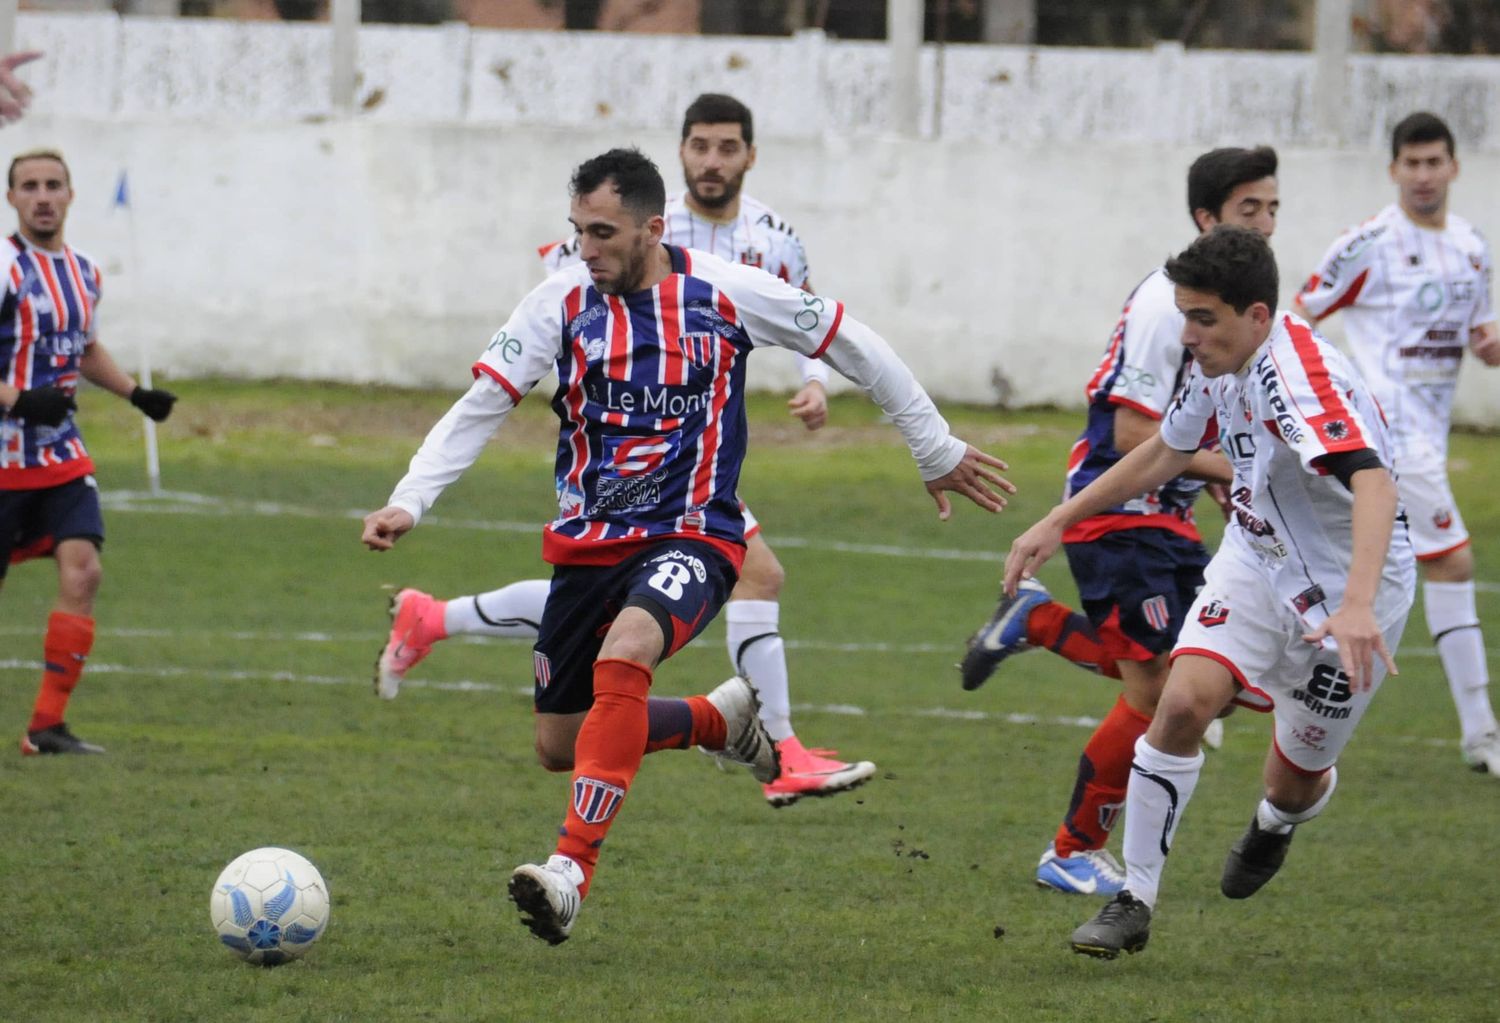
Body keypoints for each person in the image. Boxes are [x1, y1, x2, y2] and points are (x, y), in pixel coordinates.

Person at [360, 147, 1011, 945]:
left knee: (627, 652)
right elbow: (481, 404)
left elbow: (854, 341)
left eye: (603, 232)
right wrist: (409, 500)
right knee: (559, 744)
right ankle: (717, 721)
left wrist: (933, 446)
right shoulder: (558, 301)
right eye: (577, 231)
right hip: (588, 546)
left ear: (652, 227)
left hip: (695, 532)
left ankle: (569, 872)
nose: (586, 249)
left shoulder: (724, 293)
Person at [376, 93, 878, 808]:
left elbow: (807, 314)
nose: (711, 160)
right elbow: (567, 283)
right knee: (737, 581)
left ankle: (437, 618)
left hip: (696, 453)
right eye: (699, 145)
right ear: (680, 152)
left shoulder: (773, 238)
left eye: (726, 147)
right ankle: (764, 738)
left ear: (749, 155)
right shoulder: (633, 226)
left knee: (679, 597)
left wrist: (816, 382)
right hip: (632, 458)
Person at [1004, 225, 1413, 958]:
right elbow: (1166, 448)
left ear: (1256, 315)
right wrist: (1058, 519)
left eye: (1203, 317)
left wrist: (1355, 604)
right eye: (1185, 315)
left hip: (1358, 588)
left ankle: (1276, 823)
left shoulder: (1299, 379)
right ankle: (1135, 898)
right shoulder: (1215, 359)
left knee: (1294, 779)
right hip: (1257, 563)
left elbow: (1376, 482)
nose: (1187, 333)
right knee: (1184, 699)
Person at [957, 148, 1278, 896]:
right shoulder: (1166, 306)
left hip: (1164, 517)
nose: (1264, 224)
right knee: (1159, 686)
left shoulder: (1232, 308)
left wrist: (1222, 486)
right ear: (1207, 218)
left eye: (1272, 209)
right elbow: (1137, 436)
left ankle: (1036, 624)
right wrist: (1229, 473)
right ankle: (1070, 849)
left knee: (1204, 678)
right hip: (1118, 513)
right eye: (1248, 209)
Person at [1294, 111, 1500, 776]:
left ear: (1453, 167)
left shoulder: (1472, 247)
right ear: (1393, 171)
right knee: (1454, 562)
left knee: (1325, 569)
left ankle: (1226, 682)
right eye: (1410, 164)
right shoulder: (1369, 242)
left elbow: (1482, 333)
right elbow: (1302, 315)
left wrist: (1490, 344)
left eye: (1433, 161)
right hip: (1385, 437)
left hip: (1427, 439)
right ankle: (1481, 731)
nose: (1422, 175)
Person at [1, 148, 177, 755]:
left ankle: (46, 726)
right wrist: (17, 400)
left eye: (53, 185)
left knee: (85, 569)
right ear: (12, 198)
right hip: (2, 458)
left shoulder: (85, 271)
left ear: (71, 195)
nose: (43, 196)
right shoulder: (4, 267)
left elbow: (83, 347)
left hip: (60, 457)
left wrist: (136, 394)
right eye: (30, 186)